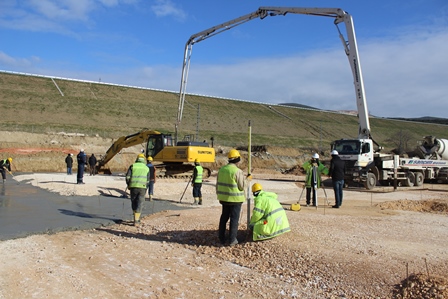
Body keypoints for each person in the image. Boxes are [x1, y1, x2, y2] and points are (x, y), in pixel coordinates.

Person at [216, 149, 250, 246]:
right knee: (234, 219)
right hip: (235, 200)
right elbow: (241, 186)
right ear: (237, 160)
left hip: (224, 199)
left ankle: (221, 237)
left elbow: (218, 184)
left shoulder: (222, 170)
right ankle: (232, 240)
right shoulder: (237, 171)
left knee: (224, 217)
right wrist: (248, 179)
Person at [126, 155, 150, 226]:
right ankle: (136, 220)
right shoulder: (146, 168)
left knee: (134, 201)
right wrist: (146, 188)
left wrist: (129, 185)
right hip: (142, 188)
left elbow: (127, 177)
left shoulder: (132, 166)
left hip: (133, 187)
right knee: (140, 203)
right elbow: (148, 181)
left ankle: (135, 217)